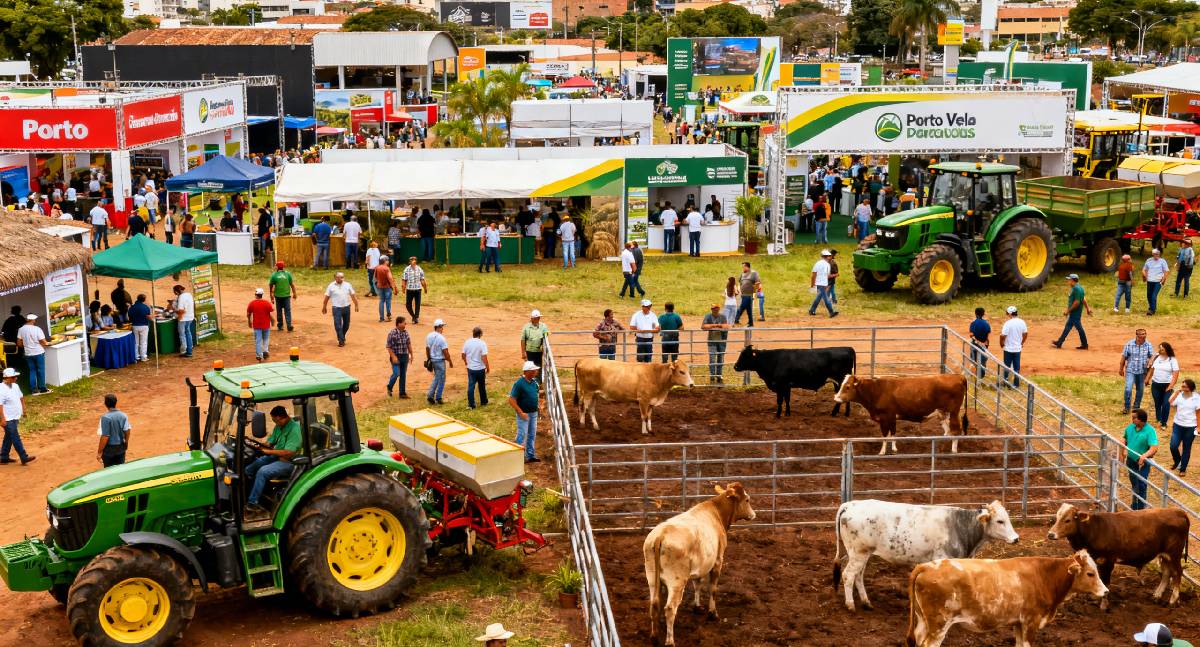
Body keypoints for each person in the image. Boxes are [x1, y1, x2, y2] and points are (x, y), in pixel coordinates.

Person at [244, 405, 303, 515]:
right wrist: (259, 445)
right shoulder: (279, 426)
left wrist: (269, 452)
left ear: (282, 417)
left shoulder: (294, 430)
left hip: (289, 462)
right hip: (276, 457)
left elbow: (289, 453)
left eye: (275, 420)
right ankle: (251, 493)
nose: (275, 423)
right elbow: (270, 442)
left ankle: (252, 503)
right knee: (250, 467)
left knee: (263, 471)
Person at [1125, 408, 1158, 511]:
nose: (1132, 420)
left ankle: (1141, 507)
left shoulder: (1150, 431)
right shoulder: (1131, 427)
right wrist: (1122, 447)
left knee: (1141, 483)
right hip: (1131, 460)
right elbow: (1124, 438)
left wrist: (1144, 456)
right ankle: (1135, 505)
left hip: (1142, 463)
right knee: (1134, 482)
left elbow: (1154, 447)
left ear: (1141, 419)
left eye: (1134, 418)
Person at [508, 361, 541, 463]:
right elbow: (511, 399)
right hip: (524, 414)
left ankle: (530, 455)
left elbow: (536, 394)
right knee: (522, 434)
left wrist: (537, 406)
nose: (536, 371)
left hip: (533, 413)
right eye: (534, 370)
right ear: (528, 371)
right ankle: (518, 457)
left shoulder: (535, 382)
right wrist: (520, 412)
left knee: (531, 435)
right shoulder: (519, 384)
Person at [0, 368, 33, 465]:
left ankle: (4, 457)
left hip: (15, 416)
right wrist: (2, 419)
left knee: (9, 437)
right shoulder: (1, 389)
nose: (16, 378)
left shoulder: (15, 386)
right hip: (6, 418)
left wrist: (24, 410)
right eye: (14, 377)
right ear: (7, 378)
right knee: (15, 436)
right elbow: (0, 405)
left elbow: (21, 397)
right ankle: (24, 457)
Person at [1051, 274, 1091, 350]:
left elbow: (1077, 302)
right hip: (1075, 313)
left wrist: (1068, 311)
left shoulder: (1076, 289)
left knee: (1079, 328)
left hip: (1075, 313)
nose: (1068, 281)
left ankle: (1085, 344)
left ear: (1073, 280)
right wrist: (1088, 309)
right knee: (1068, 327)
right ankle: (1059, 342)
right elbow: (1083, 299)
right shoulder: (1080, 288)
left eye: (1069, 280)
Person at [1169, 379, 1199, 476]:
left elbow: (1199, 413)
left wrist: (1198, 427)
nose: (1182, 388)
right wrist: (1176, 393)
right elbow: (1170, 402)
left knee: (1186, 448)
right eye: (1182, 386)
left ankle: (1183, 469)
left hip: (1190, 426)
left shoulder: (1197, 397)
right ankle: (1177, 460)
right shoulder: (1179, 396)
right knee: (1173, 446)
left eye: (1184, 387)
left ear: (1190, 388)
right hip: (1178, 424)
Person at [1121, 328, 1154, 414]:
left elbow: (1151, 356)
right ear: (1137, 336)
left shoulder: (1148, 345)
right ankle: (1127, 407)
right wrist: (1121, 368)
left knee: (1140, 389)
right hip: (1130, 370)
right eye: (1142, 334)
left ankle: (1136, 406)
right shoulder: (1129, 344)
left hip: (1142, 371)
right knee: (1128, 388)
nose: (1144, 336)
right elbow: (1124, 357)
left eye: (1145, 334)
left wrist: (1150, 361)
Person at [1149, 341, 1181, 429]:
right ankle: (1159, 419)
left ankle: (1164, 423)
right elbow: (1152, 369)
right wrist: (1147, 379)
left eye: (1162, 349)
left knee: (1166, 403)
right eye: (1159, 348)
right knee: (1157, 403)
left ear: (1167, 350)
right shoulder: (1157, 357)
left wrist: (1171, 386)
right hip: (1155, 384)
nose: (1159, 350)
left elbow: (1175, 374)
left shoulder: (1172, 360)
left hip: (1167, 385)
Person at [321, 272, 358, 347]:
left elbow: (353, 295)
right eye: (339, 277)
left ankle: (342, 336)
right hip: (336, 308)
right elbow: (327, 297)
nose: (341, 279)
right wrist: (324, 306)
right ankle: (341, 340)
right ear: (335, 278)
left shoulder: (347, 285)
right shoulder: (331, 286)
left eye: (342, 277)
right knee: (338, 325)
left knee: (346, 325)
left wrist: (356, 305)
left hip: (346, 307)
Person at [96, 394, 131, 467]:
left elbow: (105, 436)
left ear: (105, 404)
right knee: (120, 469)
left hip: (109, 450)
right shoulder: (123, 415)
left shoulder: (105, 418)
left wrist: (99, 452)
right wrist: (126, 442)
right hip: (120, 447)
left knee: (109, 471)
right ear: (116, 402)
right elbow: (127, 430)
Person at [16, 314, 48, 394]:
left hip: (28, 353)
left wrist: (27, 345)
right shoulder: (37, 329)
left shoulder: (21, 329)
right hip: (38, 352)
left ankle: (33, 390)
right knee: (40, 370)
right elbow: (43, 341)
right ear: (33, 320)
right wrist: (47, 343)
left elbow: (19, 343)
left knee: (32, 371)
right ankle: (42, 388)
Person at [999, 306, 1028, 388]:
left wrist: (1001, 344)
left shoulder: (1008, 323)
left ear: (1010, 314)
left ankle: (1005, 381)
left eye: (1007, 313)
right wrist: (1022, 342)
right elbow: (1025, 334)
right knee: (1016, 367)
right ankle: (1016, 384)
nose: (1007, 314)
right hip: (1017, 348)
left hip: (1008, 349)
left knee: (1006, 366)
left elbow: (1002, 336)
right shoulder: (1022, 322)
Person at [462, 326, 490, 409]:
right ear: (480, 334)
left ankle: (471, 404)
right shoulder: (482, 343)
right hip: (480, 368)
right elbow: (484, 357)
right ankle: (483, 401)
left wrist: (466, 363)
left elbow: (463, 355)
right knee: (481, 386)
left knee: (471, 386)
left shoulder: (467, 342)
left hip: (471, 368)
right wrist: (487, 367)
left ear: (473, 333)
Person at [702, 303, 730, 385]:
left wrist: (712, 326)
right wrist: (717, 325)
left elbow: (726, 326)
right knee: (712, 358)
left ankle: (719, 374)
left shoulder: (723, 316)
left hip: (722, 340)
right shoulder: (708, 316)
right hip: (712, 341)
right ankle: (712, 374)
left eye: (716, 308)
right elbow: (703, 326)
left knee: (720, 358)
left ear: (719, 309)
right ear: (711, 309)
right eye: (713, 308)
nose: (715, 310)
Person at [425, 319, 451, 405]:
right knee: (442, 380)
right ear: (438, 327)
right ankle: (438, 397)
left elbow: (427, 349)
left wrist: (429, 359)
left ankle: (430, 395)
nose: (442, 328)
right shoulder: (441, 338)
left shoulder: (429, 336)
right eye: (442, 327)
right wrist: (450, 361)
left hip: (433, 360)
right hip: (440, 361)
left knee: (436, 377)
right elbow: (445, 352)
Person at [386, 316, 413, 399]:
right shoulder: (392, 333)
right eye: (404, 322)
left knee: (403, 375)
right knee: (397, 373)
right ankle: (389, 387)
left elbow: (408, 344)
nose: (405, 324)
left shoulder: (406, 333)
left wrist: (411, 354)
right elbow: (389, 347)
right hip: (396, 356)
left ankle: (402, 393)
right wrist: (393, 357)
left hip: (404, 356)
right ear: (399, 323)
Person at [246, 288, 275, 362]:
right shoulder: (267, 303)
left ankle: (259, 355)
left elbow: (248, 314)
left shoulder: (252, 303)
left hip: (257, 326)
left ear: (255, 295)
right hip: (266, 325)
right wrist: (272, 321)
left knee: (258, 341)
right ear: (262, 295)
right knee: (266, 339)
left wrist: (249, 321)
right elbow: (270, 313)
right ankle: (265, 351)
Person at [269, 261, 296, 332]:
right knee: (287, 311)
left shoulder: (274, 275)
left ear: (277, 267)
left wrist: (271, 296)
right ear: (283, 267)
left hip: (278, 296)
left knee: (279, 311)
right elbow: (292, 284)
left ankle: (280, 325)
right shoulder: (288, 274)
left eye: (276, 266)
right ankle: (289, 325)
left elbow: (271, 286)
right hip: (286, 296)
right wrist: (294, 293)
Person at [809, 250, 838, 318]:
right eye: (829, 256)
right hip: (822, 284)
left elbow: (814, 275)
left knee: (818, 298)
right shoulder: (827, 265)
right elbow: (826, 276)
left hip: (821, 284)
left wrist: (813, 284)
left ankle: (812, 310)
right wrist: (835, 275)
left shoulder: (818, 263)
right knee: (826, 299)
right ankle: (831, 312)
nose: (829, 257)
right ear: (827, 257)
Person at [1143, 248, 1170, 315]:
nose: (1157, 255)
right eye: (1155, 254)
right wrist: (1145, 276)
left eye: (1158, 254)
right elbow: (1144, 269)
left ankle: (1152, 310)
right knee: (1149, 295)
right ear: (1153, 254)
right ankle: (1151, 307)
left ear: (1159, 254)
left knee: (1153, 296)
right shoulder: (1148, 260)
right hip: (1150, 280)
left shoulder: (1162, 261)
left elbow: (1166, 271)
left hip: (1158, 281)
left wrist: (1164, 279)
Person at [402, 256, 427, 325]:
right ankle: (414, 316)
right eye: (412, 260)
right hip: (409, 289)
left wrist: (425, 288)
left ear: (416, 261)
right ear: (409, 262)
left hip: (418, 289)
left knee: (417, 304)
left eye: (414, 260)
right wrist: (403, 288)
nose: (413, 261)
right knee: (408, 304)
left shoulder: (419, 269)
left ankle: (416, 317)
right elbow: (404, 279)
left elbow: (422, 279)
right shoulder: (406, 269)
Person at [172, 284, 196, 358]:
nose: (174, 293)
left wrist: (174, 310)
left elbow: (181, 310)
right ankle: (189, 351)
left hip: (183, 318)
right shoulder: (189, 294)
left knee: (182, 335)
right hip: (190, 317)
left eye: (174, 292)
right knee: (188, 333)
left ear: (176, 291)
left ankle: (184, 351)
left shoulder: (181, 297)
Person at [968, 307, 991, 379]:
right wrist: (985, 343)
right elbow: (988, 334)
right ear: (983, 314)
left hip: (975, 344)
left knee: (974, 359)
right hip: (983, 344)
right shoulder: (986, 323)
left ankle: (975, 374)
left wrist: (977, 341)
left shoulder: (973, 323)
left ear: (975, 314)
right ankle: (981, 376)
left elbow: (971, 335)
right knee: (983, 360)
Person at [128, 294, 152, 362]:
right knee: (143, 342)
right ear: (144, 299)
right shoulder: (145, 307)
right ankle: (143, 356)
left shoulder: (132, 307)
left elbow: (129, 316)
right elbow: (148, 317)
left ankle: (136, 356)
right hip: (144, 325)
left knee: (136, 342)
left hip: (135, 325)